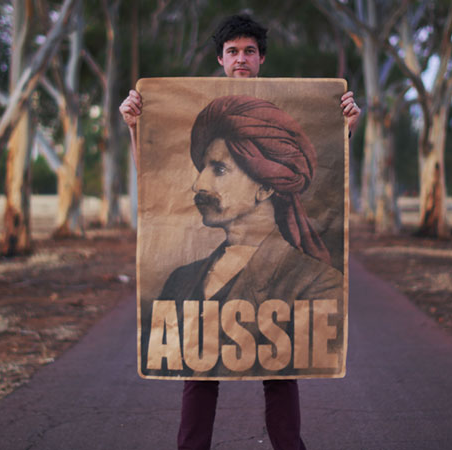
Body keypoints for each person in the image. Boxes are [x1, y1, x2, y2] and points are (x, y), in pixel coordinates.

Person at [120, 14, 359, 450]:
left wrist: (345, 128)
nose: (241, 59)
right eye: (232, 52)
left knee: (281, 376)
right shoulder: (182, 281)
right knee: (199, 375)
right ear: (220, 58)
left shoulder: (313, 282)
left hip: (282, 300)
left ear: (268, 182)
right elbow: (155, 185)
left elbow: (333, 171)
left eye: (249, 51)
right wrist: (137, 126)